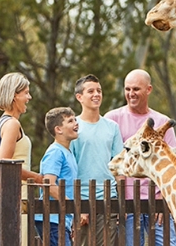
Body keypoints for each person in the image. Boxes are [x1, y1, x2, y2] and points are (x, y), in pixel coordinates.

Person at [104, 69, 176, 246]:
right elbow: (108, 161)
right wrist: (118, 199)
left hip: (157, 200)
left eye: (136, 89)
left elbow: (172, 163)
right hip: (127, 203)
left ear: (149, 89)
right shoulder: (112, 119)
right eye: (127, 89)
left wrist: (163, 196)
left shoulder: (162, 121)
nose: (131, 94)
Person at [0, 72, 43, 246]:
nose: (29, 97)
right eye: (26, 93)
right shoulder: (12, 124)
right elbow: (5, 166)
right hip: (17, 193)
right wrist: (37, 178)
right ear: (14, 95)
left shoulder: (0, 124)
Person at [70, 74, 123, 246]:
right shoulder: (73, 128)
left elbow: (119, 167)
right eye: (91, 91)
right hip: (81, 198)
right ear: (79, 97)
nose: (96, 94)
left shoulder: (112, 128)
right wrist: (77, 205)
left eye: (99, 91)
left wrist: (121, 201)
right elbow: (69, 168)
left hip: (108, 198)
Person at [34, 107, 79, 246]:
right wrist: (71, 206)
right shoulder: (55, 152)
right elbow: (49, 184)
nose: (76, 123)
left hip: (61, 218)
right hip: (52, 219)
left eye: (75, 119)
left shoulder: (68, 152)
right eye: (70, 121)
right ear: (58, 129)